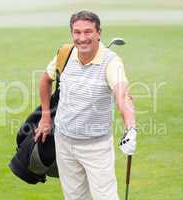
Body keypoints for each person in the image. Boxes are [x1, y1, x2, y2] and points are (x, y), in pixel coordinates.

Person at [35, 10, 137, 200]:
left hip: (96, 147)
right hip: (64, 142)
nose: (82, 38)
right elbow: (45, 80)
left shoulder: (111, 62)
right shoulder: (65, 54)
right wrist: (46, 116)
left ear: (99, 33)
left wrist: (130, 128)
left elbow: (123, 96)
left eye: (88, 32)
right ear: (72, 33)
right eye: (77, 32)